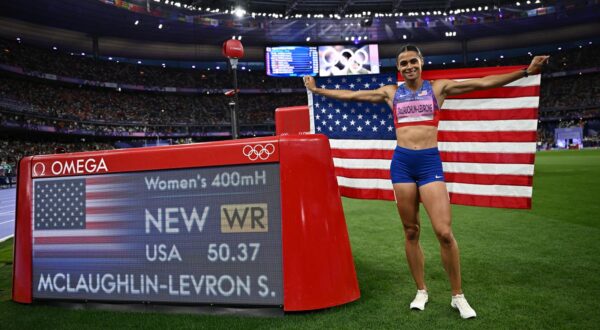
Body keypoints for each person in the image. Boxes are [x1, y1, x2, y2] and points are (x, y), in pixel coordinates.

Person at [303, 45, 549, 319]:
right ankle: (421, 290)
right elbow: (351, 95)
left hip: (430, 163)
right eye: (403, 63)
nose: (408, 67)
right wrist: (318, 90)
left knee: (444, 232)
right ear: (398, 68)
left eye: (412, 62)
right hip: (402, 165)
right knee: (411, 231)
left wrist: (526, 71)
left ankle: (458, 296)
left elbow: (481, 83)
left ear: (421, 63)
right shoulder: (391, 93)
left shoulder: (437, 89)